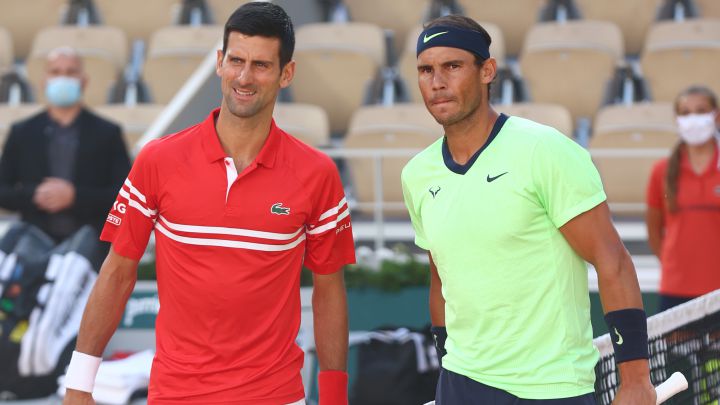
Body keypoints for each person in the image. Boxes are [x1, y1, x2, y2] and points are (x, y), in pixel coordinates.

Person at [62, 3, 355, 405]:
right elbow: (117, 273)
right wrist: (79, 384)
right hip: (175, 394)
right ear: (219, 62)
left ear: (286, 73)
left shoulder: (317, 172)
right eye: (236, 60)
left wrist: (335, 397)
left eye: (261, 65)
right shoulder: (157, 160)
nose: (244, 77)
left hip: (275, 395)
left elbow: (329, 291)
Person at [400, 15, 655, 404]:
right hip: (461, 381)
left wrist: (635, 380)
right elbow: (442, 278)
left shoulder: (545, 151)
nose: (437, 82)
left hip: (550, 389)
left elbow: (611, 260)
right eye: (425, 70)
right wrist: (447, 360)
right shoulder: (416, 174)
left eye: (452, 66)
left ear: (487, 71)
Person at [0, 47, 130, 244]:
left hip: (91, 245)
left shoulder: (108, 132)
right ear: (44, 81)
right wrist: (34, 195)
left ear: (84, 81)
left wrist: (75, 197)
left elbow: (124, 195)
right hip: (33, 246)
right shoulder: (22, 132)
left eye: (71, 72)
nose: (63, 78)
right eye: (55, 72)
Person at [646, 85, 720, 312]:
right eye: (685, 113)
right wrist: (674, 266)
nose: (693, 119)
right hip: (675, 288)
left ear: (716, 116)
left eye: (701, 110)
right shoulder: (662, 171)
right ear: (677, 119)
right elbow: (654, 230)